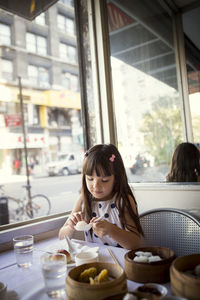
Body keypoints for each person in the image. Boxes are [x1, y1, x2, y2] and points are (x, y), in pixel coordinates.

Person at [59, 144, 143, 249]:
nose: (96, 186)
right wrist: (71, 226)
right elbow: (61, 237)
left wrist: (111, 230)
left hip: (119, 262)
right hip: (95, 260)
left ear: (116, 178)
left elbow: (135, 244)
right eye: (90, 179)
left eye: (104, 180)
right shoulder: (84, 200)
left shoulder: (122, 201)